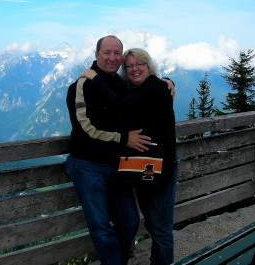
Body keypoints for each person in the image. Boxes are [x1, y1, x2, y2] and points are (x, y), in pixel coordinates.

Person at [66, 36, 175, 265]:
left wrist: (167, 80)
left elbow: (143, 92)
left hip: (118, 166)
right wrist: (123, 138)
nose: (112, 57)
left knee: (129, 222)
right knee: (101, 227)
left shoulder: (120, 85)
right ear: (96, 55)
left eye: (117, 53)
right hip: (88, 165)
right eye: (107, 52)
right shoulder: (82, 85)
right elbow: (85, 128)